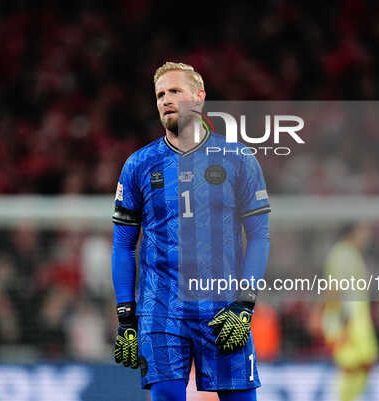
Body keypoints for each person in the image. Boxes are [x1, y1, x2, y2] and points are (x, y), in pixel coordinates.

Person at [111, 62, 271, 401]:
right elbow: (123, 245)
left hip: (223, 307)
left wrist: (245, 304)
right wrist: (126, 318)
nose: (166, 99)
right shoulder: (138, 165)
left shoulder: (238, 159)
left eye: (175, 91)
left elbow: (259, 236)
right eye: (160, 95)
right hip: (160, 308)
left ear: (198, 98)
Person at [322, 223, 379, 401]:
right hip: (348, 322)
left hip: (357, 321)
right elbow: (334, 289)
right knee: (350, 367)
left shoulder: (352, 254)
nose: (368, 235)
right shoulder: (342, 254)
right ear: (354, 231)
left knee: (365, 364)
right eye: (364, 230)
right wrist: (341, 324)